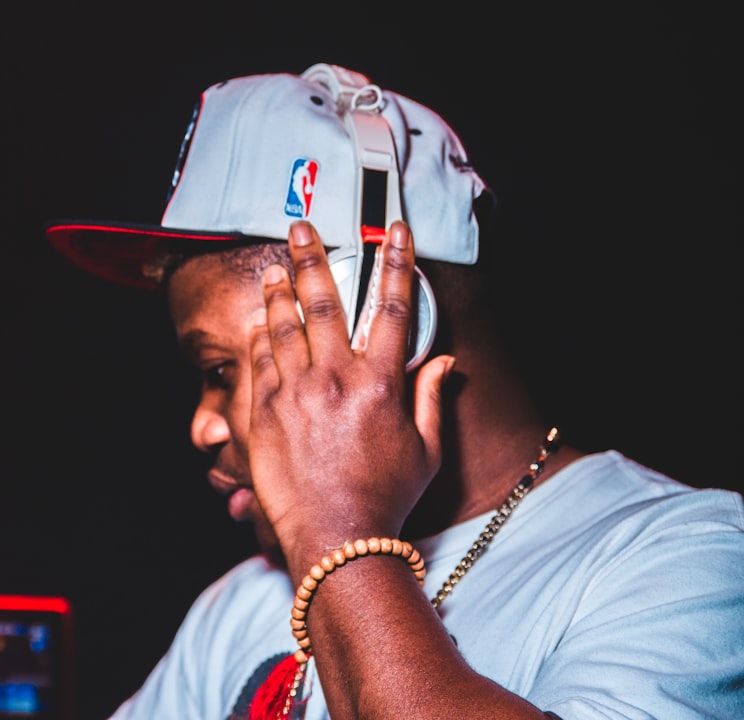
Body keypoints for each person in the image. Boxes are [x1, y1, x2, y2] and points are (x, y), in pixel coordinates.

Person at [45, 63, 744, 719]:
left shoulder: (686, 559)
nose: (203, 425)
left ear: (390, 317)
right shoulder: (238, 608)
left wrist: (340, 533)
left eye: (221, 371)